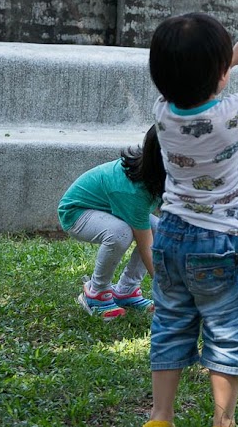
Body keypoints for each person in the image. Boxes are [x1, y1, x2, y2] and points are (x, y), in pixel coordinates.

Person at [140, 14, 238, 427]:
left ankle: (160, 418)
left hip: (171, 236)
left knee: (171, 321)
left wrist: (227, 62)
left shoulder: (162, 113)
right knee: (229, 328)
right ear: (221, 75)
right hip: (227, 242)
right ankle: (223, 425)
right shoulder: (236, 113)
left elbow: (191, 82)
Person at [57, 127, 163, 319]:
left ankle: (126, 291)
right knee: (120, 232)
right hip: (77, 213)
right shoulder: (135, 191)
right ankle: (95, 292)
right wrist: (169, 290)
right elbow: (146, 246)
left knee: (160, 229)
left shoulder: (163, 176)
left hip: (112, 210)